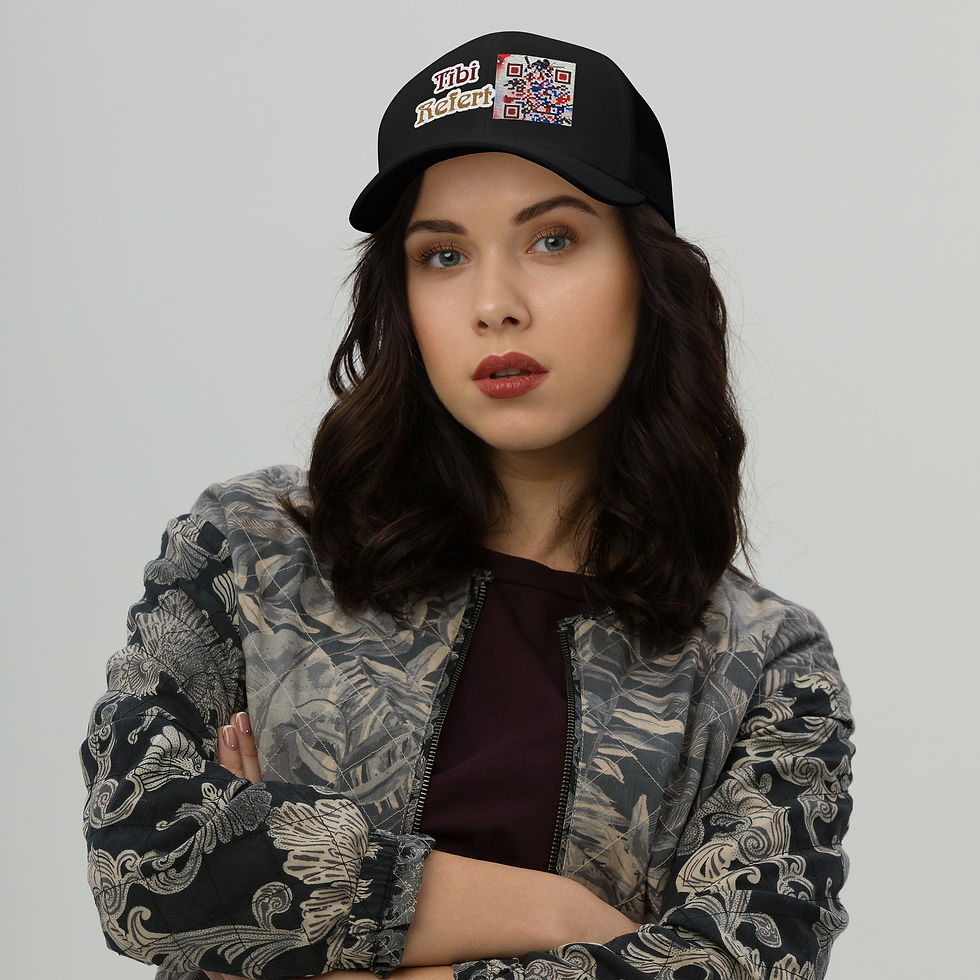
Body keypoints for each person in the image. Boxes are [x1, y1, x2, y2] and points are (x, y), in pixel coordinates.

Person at [80, 30, 854, 980]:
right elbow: (146, 861)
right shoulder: (251, 552)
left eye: (553, 239)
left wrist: (299, 922)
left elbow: (740, 963)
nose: (494, 303)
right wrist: (564, 916)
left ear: (648, 275)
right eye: (442, 255)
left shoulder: (761, 664)